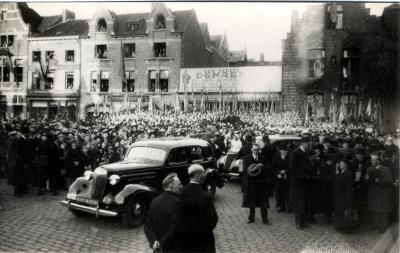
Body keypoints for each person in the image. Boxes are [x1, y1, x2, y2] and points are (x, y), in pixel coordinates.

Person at [144, 173, 185, 252]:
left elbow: (147, 225)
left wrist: (154, 241)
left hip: (158, 248)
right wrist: (161, 243)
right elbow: (175, 229)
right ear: (171, 186)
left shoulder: (154, 201)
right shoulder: (178, 203)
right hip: (173, 248)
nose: (182, 186)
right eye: (179, 184)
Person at [182, 164, 218, 252]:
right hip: (203, 237)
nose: (205, 176)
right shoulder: (205, 196)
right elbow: (213, 218)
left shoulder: (182, 191)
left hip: (187, 237)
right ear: (197, 176)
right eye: (203, 174)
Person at [242, 143, 273, 225]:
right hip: (252, 183)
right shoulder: (246, 158)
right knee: (251, 201)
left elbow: (268, 168)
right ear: (251, 149)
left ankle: (265, 219)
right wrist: (255, 168)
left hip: (261, 183)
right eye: (255, 150)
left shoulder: (263, 158)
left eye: (258, 150)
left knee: (263, 202)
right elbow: (246, 171)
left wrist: (262, 166)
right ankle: (251, 218)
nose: (256, 151)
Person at [288, 137, 312, 229]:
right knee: (298, 202)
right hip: (297, 182)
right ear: (303, 143)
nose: (309, 145)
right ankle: (298, 222)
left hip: (305, 182)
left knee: (304, 202)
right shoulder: (295, 153)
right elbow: (292, 168)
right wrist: (302, 175)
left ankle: (302, 221)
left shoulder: (306, 153)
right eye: (308, 143)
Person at [366, 152, 393, 233]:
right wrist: (366, 179)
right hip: (372, 193)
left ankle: (383, 227)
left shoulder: (385, 169)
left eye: (373, 159)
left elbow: (389, 180)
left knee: (382, 211)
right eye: (371, 159)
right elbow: (366, 179)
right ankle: (375, 225)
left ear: (378, 161)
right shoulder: (369, 169)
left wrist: (379, 181)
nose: (371, 161)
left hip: (381, 194)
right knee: (374, 210)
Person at [332, 159, 357, 232]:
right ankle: (341, 227)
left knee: (345, 213)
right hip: (339, 196)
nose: (340, 165)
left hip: (344, 197)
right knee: (340, 212)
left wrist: (348, 199)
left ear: (346, 165)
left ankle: (346, 228)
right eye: (340, 163)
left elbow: (350, 189)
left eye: (342, 163)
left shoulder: (348, 174)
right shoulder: (341, 173)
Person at [272, 145, 290, 212]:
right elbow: (273, 167)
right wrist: (278, 174)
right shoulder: (276, 156)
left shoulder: (289, 156)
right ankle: (282, 207)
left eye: (286, 152)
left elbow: (291, 166)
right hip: (279, 178)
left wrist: (286, 172)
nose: (285, 154)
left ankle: (289, 207)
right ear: (280, 151)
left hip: (287, 178)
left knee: (287, 193)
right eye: (284, 152)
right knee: (280, 193)